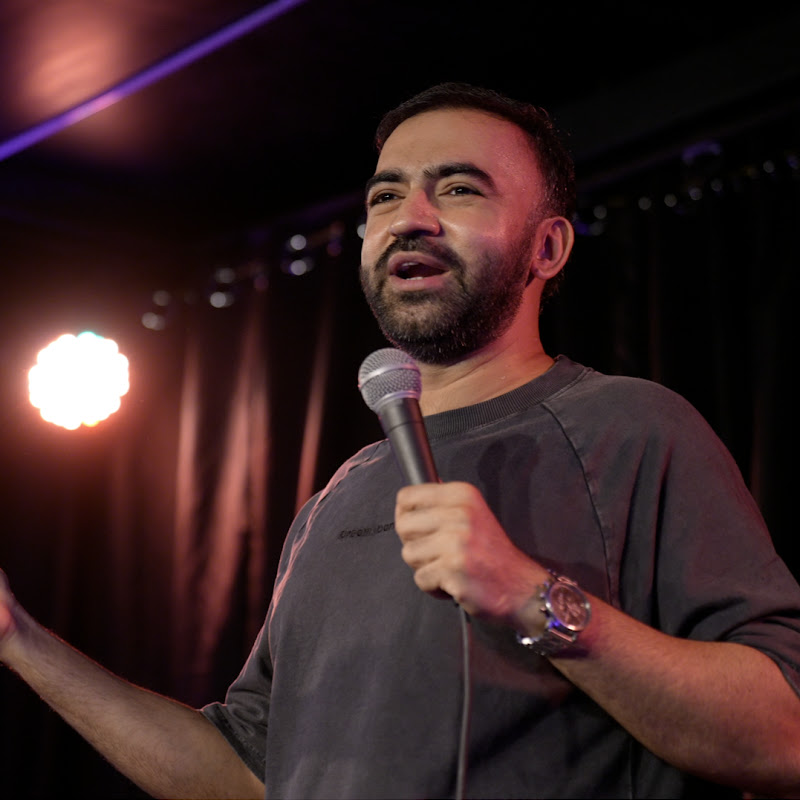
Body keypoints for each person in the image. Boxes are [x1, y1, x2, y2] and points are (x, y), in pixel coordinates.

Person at [2, 81, 800, 799]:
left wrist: (530, 596)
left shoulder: (633, 429)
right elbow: (247, 774)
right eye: (386, 197)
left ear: (548, 248)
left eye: (458, 188)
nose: (410, 219)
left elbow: (783, 736)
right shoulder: (337, 497)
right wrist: (21, 640)